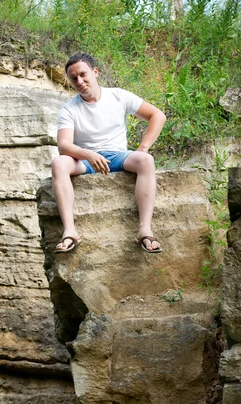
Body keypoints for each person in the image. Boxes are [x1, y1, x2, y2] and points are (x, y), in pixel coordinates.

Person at [52, 52, 166, 254]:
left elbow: (157, 115)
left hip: (118, 156)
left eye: (83, 74)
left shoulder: (118, 96)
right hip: (86, 161)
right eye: (74, 78)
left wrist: (142, 149)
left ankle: (144, 230)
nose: (80, 81)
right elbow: (64, 145)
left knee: (146, 161)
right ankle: (70, 232)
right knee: (59, 163)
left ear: (95, 72)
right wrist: (88, 154)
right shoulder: (69, 109)